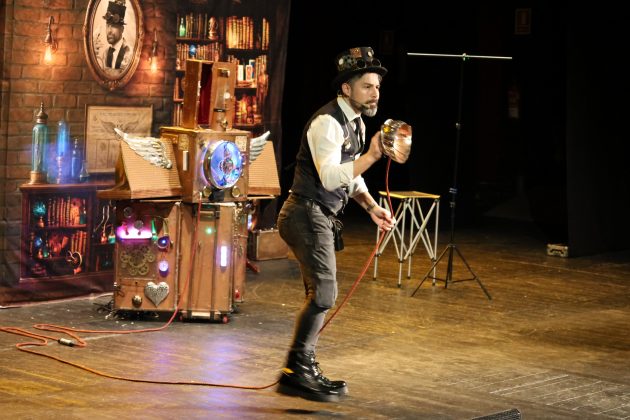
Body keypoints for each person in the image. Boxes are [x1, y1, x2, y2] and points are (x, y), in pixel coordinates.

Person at [276, 46, 395, 402]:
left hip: (318, 215)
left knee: (320, 294)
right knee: (324, 294)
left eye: (377, 87)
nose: (375, 93)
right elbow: (330, 177)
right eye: (367, 86)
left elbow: (349, 176)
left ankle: (299, 369)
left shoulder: (355, 122)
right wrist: (372, 155)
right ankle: (297, 370)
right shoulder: (327, 122)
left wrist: (370, 206)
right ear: (346, 88)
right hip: (304, 213)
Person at [95, 0, 131, 71]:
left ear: (122, 29)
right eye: (108, 26)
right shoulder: (105, 53)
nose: (109, 31)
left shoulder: (129, 53)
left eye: (114, 26)